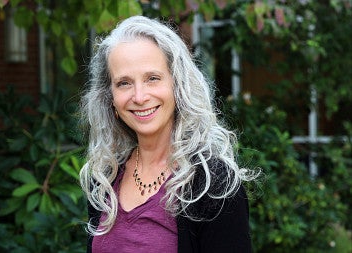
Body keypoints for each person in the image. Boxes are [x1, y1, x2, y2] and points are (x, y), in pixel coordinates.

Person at [79, 15, 257, 253]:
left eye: (152, 78)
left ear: (178, 85)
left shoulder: (213, 185)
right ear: (110, 97)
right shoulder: (104, 179)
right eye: (124, 83)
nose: (139, 96)